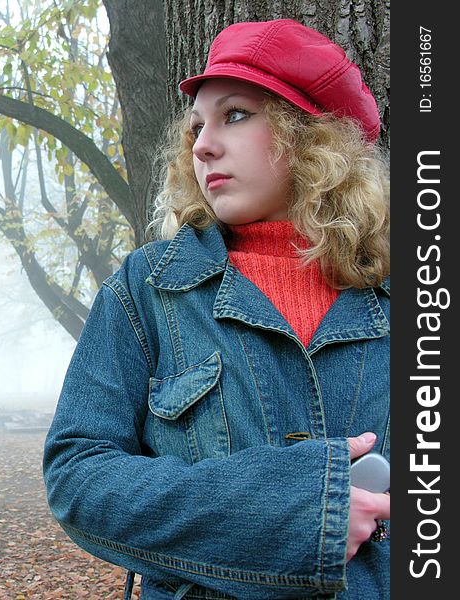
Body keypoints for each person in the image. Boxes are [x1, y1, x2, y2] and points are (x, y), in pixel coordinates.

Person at [42, 18, 390, 600]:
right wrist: (286, 507)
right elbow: (79, 478)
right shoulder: (149, 289)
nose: (202, 144)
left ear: (310, 137)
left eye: (234, 115)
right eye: (197, 125)